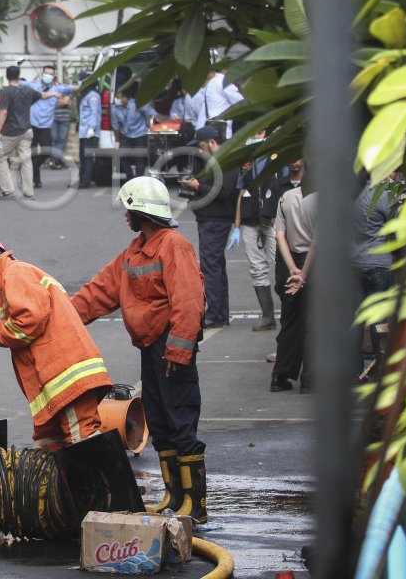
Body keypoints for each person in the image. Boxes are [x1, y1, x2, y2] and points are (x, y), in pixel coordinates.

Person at [70, 176, 208, 523]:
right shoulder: (133, 253)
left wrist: (178, 353)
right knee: (161, 423)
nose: (125, 215)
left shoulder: (173, 246)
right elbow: (97, 294)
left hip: (171, 349)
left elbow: (189, 302)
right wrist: (58, 317)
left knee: (181, 422)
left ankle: (195, 504)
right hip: (152, 349)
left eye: (127, 208)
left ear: (139, 211)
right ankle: (174, 497)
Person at [0, 235, 112, 449]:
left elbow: (28, 322)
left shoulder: (14, 273)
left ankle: (98, 483)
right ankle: (69, 483)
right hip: (58, 380)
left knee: (82, 438)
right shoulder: (16, 274)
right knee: (48, 445)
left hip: (66, 378)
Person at [179, 126, 240, 328]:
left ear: (213, 143)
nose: (200, 151)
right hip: (209, 219)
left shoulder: (226, 161)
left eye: (201, 146)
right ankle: (219, 312)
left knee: (211, 267)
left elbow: (222, 192)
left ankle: (215, 313)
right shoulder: (211, 162)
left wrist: (197, 186)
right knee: (215, 267)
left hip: (216, 220)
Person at [271, 163, 317, 393]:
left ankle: (280, 375)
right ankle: (309, 379)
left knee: (290, 320)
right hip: (313, 262)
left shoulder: (286, 197)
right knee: (313, 323)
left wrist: (292, 270)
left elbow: (279, 235)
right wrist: (304, 274)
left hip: (290, 261)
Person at [353, 176, 399, 376]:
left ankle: (353, 370)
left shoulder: (352, 195)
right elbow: (397, 227)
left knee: (355, 319)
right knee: (378, 320)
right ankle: (378, 370)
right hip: (379, 264)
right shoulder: (384, 196)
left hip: (354, 263)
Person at [234, 145, 281, 332]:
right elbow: (241, 194)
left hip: (271, 223)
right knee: (257, 268)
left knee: (281, 267)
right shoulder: (249, 169)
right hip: (251, 223)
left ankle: (288, 313)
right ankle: (268, 316)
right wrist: (236, 226)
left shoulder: (278, 167)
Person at [0, 65, 41, 200]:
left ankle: (7, 190)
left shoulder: (6, 91)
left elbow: (3, 112)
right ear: (19, 76)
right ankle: (29, 192)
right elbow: (40, 96)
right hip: (27, 130)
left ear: (7, 76)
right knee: (26, 159)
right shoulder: (27, 90)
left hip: (11, 131)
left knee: (0, 158)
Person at [28, 67, 65, 189]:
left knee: (47, 151)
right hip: (32, 124)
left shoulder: (57, 89)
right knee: (32, 152)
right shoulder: (33, 86)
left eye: (51, 75)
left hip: (45, 126)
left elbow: (70, 89)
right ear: (42, 74)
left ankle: (32, 168)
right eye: (46, 74)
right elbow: (19, 83)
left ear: (53, 77)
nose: (48, 76)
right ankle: (36, 181)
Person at [112, 84, 151, 181]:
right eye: (117, 97)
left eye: (119, 97)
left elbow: (151, 113)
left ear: (126, 97)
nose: (118, 99)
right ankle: (130, 177)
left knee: (140, 157)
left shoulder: (137, 104)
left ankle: (138, 179)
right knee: (122, 157)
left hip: (140, 133)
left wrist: (152, 124)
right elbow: (115, 125)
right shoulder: (115, 109)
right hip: (126, 135)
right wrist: (117, 141)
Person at [77, 73, 100, 188]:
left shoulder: (93, 96)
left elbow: (94, 113)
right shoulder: (85, 95)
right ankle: (81, 179)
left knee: (88, 157)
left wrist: (92, 127)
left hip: (90, 131)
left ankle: (86, 181)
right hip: (83, 131)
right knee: (82, 156)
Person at [49, 77, 73, 169]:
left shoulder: (65, 89)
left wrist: (52, 103)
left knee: (61, 140)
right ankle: (56, 160)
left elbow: (66, 102)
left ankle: (55, 160)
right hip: (52, 119)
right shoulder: (49, 91)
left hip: (64, 119)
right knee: (54, 140)